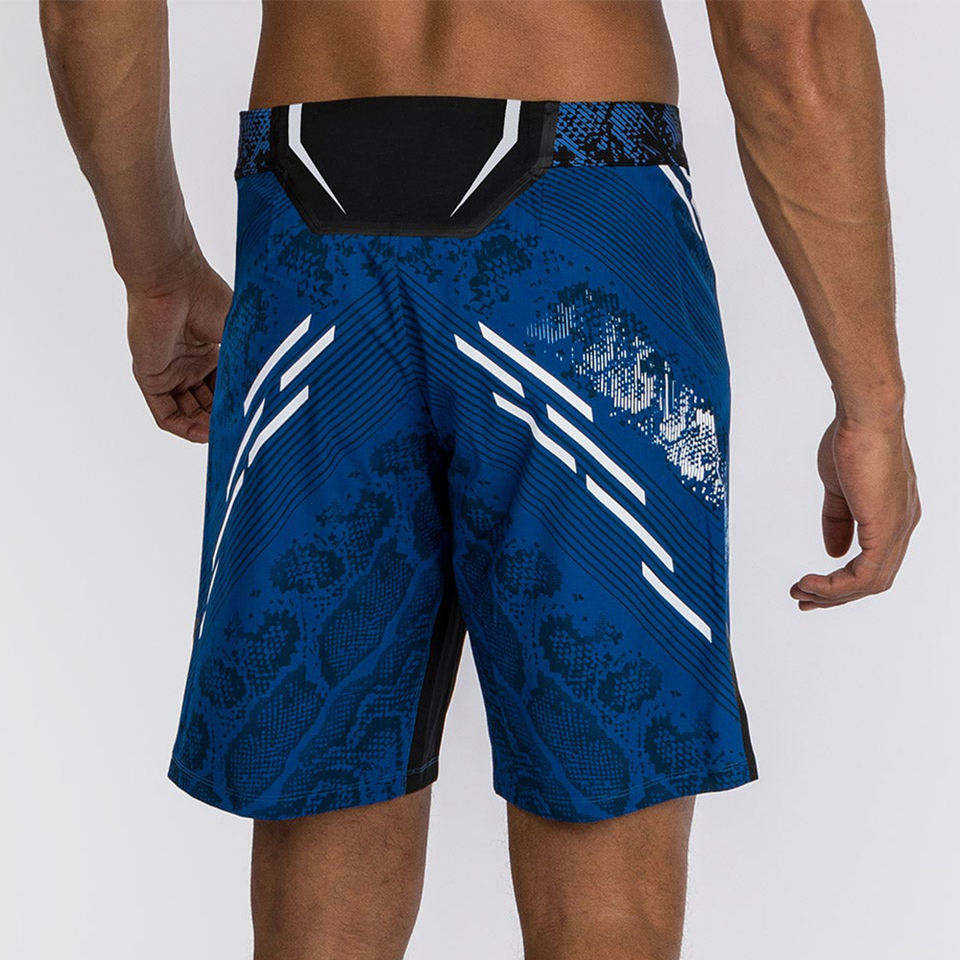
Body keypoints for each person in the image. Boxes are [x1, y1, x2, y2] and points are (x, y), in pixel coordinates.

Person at [40, 2, 920, 958]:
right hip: (586, 222)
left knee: (319, 819)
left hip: (310, 230)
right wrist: (870, 404)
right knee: (604, 824)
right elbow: (788, 27)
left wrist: (159, 271)